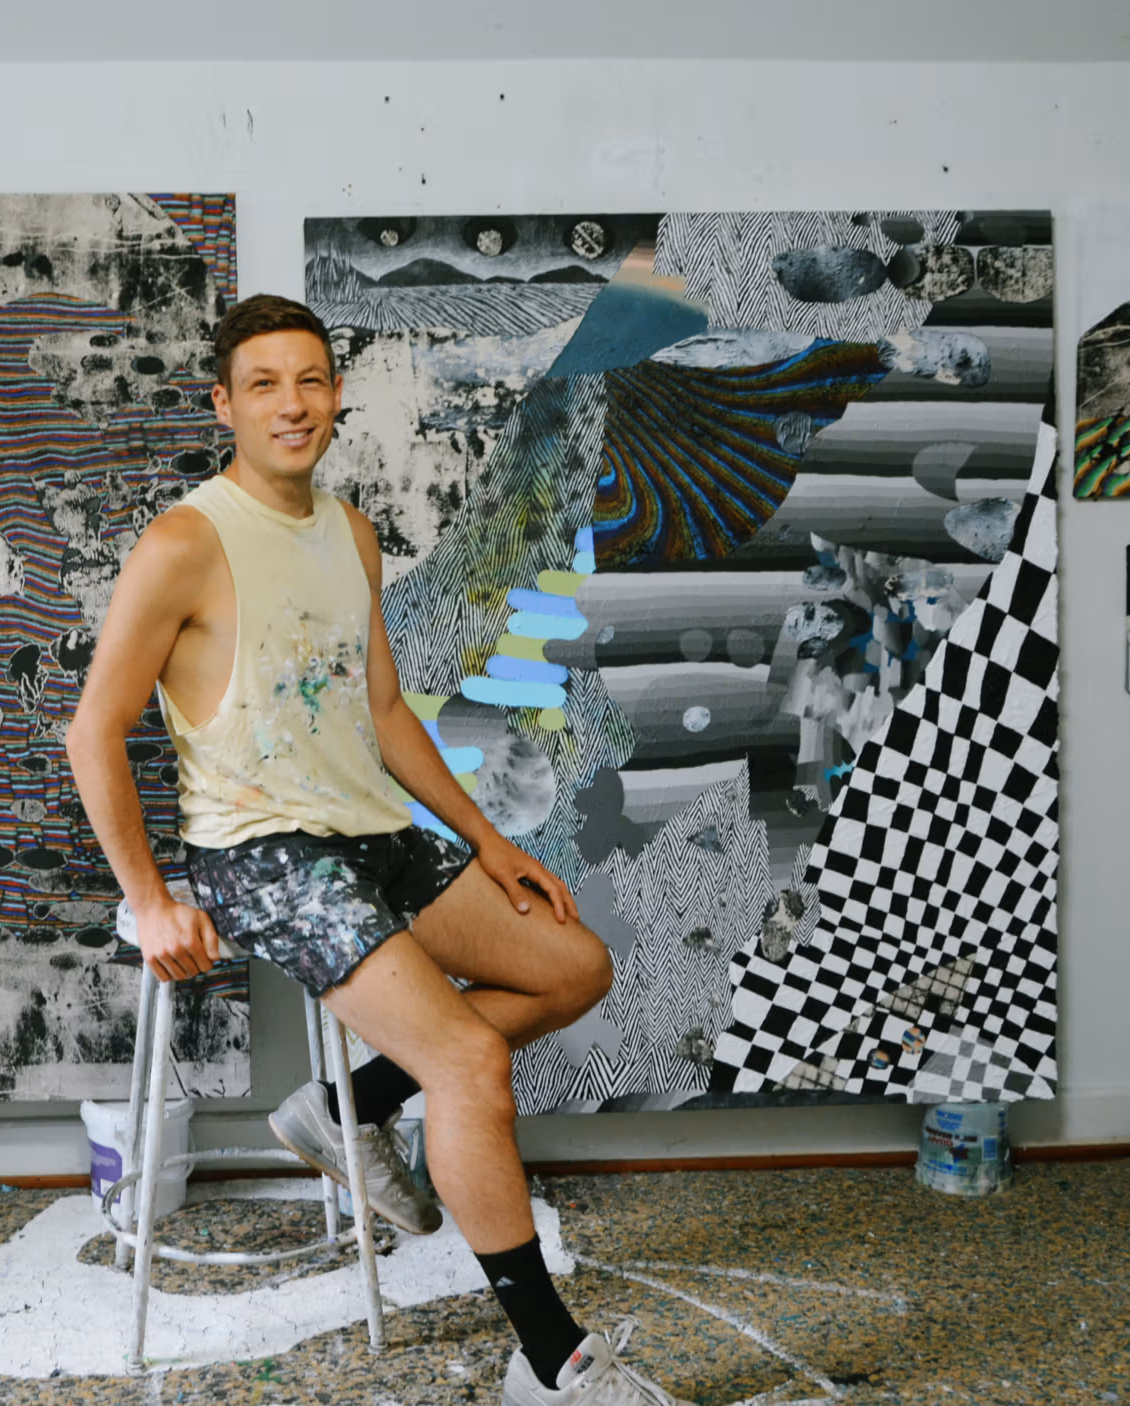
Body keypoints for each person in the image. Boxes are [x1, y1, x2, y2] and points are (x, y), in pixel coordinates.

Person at [68, 293, 691, 1406]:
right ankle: (551, 1359)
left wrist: (491, 840)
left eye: (309, 379)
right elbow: (92, 730)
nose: (291, 403)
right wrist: (150, 897)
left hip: (372, 830)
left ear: (336, 392)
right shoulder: (184, 541)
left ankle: (350, 1106)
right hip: (263, 851)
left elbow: (387, 710)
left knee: (573, 966)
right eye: (263, 384)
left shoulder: (349, 531)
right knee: (467, 1058)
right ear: (225, 404)